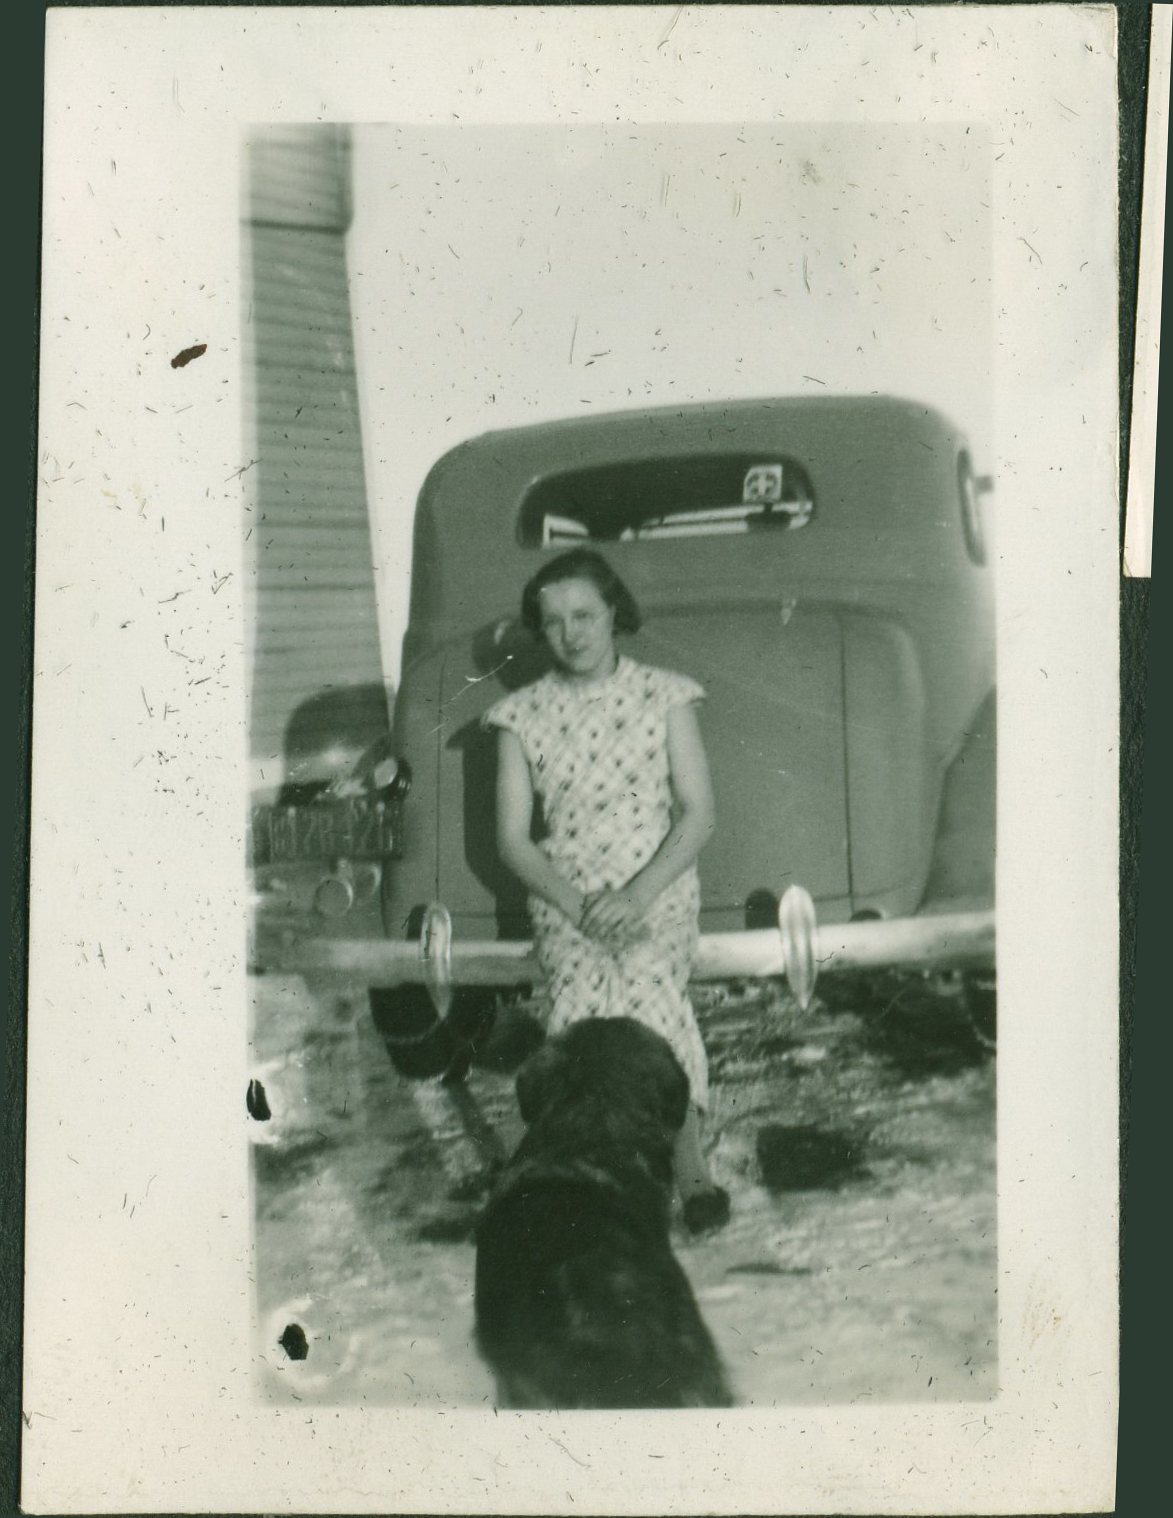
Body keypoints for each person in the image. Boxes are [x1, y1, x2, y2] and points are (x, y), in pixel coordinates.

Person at [482, 547, 729, 1233]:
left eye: (584, 615)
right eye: (554, 621)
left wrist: (636, 897)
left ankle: (689, 1170)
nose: (571, 633)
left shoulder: (667, 696)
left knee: (647, 987)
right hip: (565, 891)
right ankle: (585, 1167)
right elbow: (513, 841)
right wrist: (578, 906)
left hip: (656, 880)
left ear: (613, 611)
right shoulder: (519, 716)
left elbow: (698, 814)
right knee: (579, 1006)